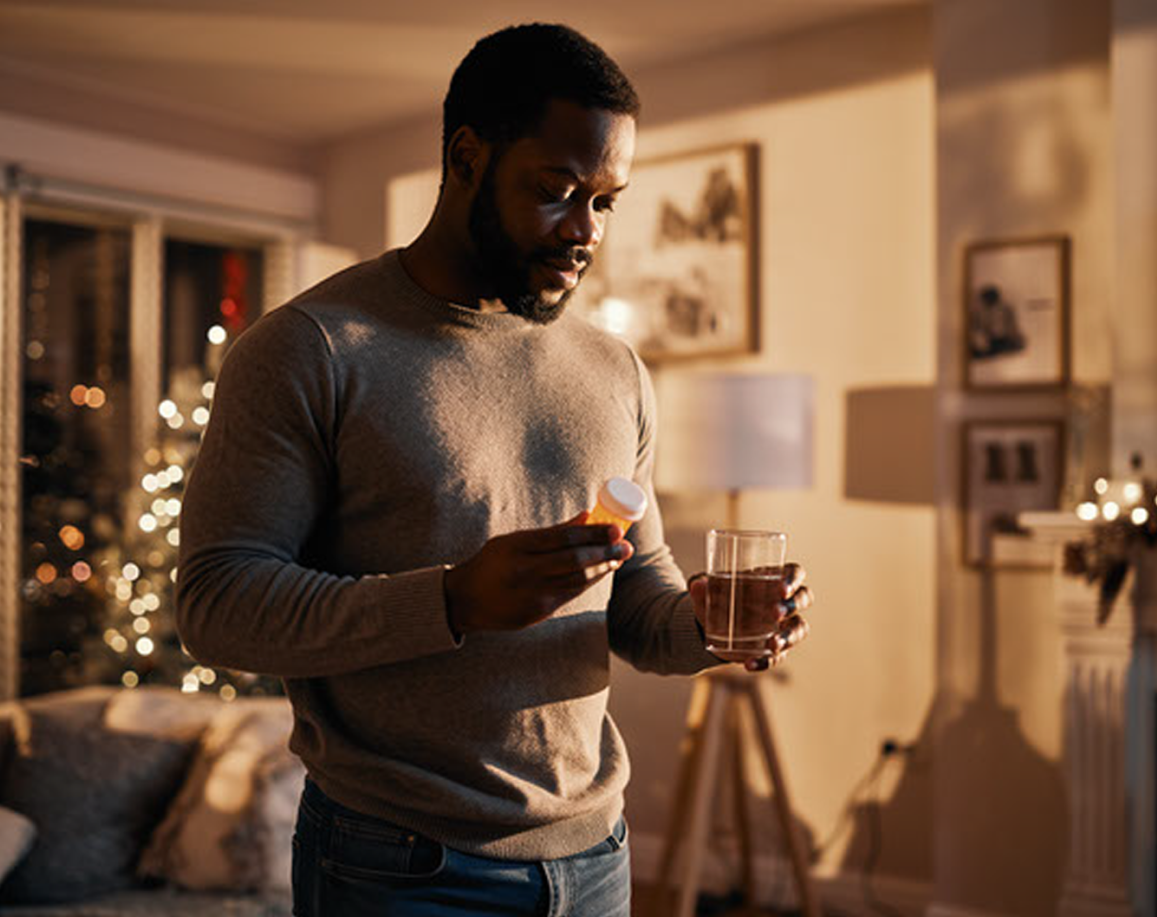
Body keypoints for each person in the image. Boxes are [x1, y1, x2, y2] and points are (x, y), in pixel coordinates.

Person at [176, 22, 814, 916]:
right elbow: (217, 605)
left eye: (607, 199)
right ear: (467, 157)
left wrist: (707, 623)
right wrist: (451, 601)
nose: (585, 230)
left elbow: (638, 605)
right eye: (557, 191)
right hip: (397, 864)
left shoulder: (615, 369)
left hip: (597, 857)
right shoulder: (308, 350)